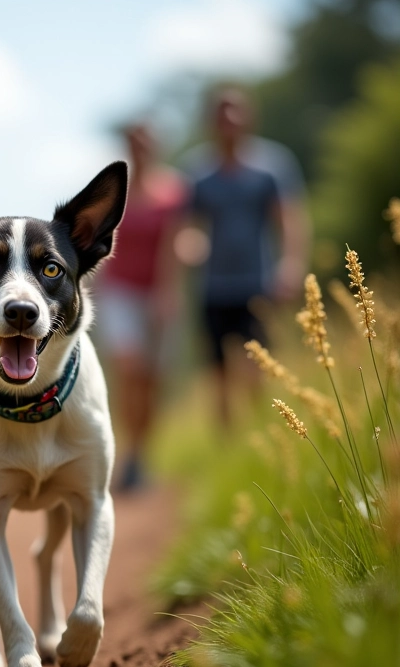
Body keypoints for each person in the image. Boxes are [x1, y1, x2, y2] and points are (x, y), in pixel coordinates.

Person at [183, 86, 310, 428]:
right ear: (212, 120)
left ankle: (259, 434)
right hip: (213, 287)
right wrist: (190, 243)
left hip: (258, 283)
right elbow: (188, 226)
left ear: (249, 117)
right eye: (222, 111)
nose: (230, 118)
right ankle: (227, 444)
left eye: (236, 110)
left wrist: (291, 266)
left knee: (259, 365)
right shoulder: (197, 171)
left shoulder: (273, 165)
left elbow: (289, 220)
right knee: (218, 371)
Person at [96, 123, 187, 490]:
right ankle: (123, 450)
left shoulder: (174, 192)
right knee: (127, 367)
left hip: (158, 294)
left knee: (151, 380)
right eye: (133, 144)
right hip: (119, 291)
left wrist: (169, 292)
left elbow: (176, 244)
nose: (140, 150)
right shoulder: (113, 191)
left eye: (145, 144)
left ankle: (139, 453)